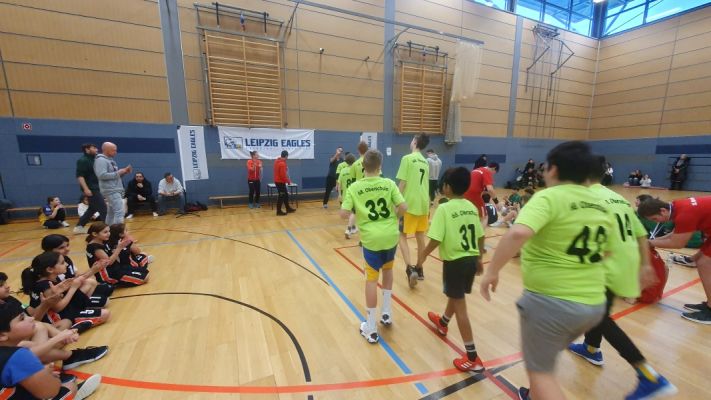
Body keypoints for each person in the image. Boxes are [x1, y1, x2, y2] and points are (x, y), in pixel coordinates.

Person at [479, 141, 616, 400]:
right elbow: (609, 252)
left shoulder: (548, 197)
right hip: (593, 304)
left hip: (553, 302)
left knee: (541, 373)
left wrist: (492, 271)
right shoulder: (600, 204)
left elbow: (518, 233)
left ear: (552, 169)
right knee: (546, 357)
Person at [567, 157, 677, 400]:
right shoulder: (617, 197)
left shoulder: (586, 198)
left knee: (599, 317)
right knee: (598, 312)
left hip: (605, 266)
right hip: (626, 264)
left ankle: (649, 376)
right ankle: (591, 348)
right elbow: (640, 233)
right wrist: (645, 265)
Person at [417, 167, 485, 372]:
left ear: (446, 187)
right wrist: (479, 258)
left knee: (460, 306)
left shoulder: (444, 209)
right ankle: (443, 322)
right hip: (470, 260)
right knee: (456, 296)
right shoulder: (471, 207)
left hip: (455, 263)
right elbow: (480, 235)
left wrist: (423, 255)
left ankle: (472, 356)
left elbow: (436, 239)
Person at [340, 150, 407, 343]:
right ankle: (386, 313)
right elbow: (403, 207)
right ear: (380, 166)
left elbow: (344, 214)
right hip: (391, 236)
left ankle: (370, 327)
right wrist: (394, 218)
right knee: (388, 270)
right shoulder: (389, 183)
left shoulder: (354, 187)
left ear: (363, 166)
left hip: (371, 239)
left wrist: (355, 209)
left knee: (371, 280)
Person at [0, 300, 102, 400]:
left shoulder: (11, 352)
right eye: (22, 318)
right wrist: (48, 377)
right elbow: (51, 391)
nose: (31, 318)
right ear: (2, 336)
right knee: (69, 387)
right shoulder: (17, 356)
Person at [639, 196, 711, 323]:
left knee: (704, 263)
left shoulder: (684, 214)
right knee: (700, 260)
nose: (656, 222)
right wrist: (651, 241)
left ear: (663, 211)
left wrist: (649, 243)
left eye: (655, 219)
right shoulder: (678, 206)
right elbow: (677, 233)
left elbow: (677, 243)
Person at [21, 252, 110, 330]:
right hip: (58, 318)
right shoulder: (46, 286)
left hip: (64, 311)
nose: (66, 264)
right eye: (62, 263)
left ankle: (80, 312)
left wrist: (93, 270)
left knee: (91, 286)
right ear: (50, 269)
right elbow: (58, 308)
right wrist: (74, 288)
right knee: (105, 314)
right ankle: (72, 326)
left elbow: (74, 281)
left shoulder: (48, 280)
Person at [397, 134, 430, 288]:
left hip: (410, 203)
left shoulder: (407, 159)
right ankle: (420, 268)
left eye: (412, 140)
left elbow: (402, 183)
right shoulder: (425, 161)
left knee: (401, 235)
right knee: (420, 236)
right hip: (424, 204)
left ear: (415, 142)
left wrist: (396, 202)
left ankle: (409, 269)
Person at [41, 234, 112, 308]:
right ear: (49, 250)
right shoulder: (52, 266)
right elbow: (67, 285)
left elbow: (77, 275)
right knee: (96, 290)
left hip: (73, 288)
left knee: (107, 289)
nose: (67, 249)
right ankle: (80, 306)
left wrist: (94, 269)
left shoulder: (65, 258)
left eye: (67, 245)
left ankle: (83, 301)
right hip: (65, 296)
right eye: (61, 248)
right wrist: (92, 271)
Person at [86, 222, 149, 287]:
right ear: (95, 234)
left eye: (109, 231)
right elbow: (109, 262)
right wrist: (119, 248)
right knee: (145, 278)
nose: (108, 234)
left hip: (117, 268)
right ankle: (111, 283)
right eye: (105, 232)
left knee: (145, 271)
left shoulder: (102, 241)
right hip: (108, 275)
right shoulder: (95, 247)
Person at [94, 142, 132, 225]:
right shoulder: (101, 160)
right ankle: (118, 231)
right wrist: (119, 172)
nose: (116, 152)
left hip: (114, 188)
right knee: (120, 212)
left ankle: (109, 229)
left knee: (111, 213)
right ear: (107, 150)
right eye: (114, 150)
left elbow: (114, 176)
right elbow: (101, 175)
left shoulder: (111, 161)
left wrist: (124, 172)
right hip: (111, 190)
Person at [74, 143, 106, 234]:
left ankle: (79, 227)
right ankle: (108, 229)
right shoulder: (83, 160)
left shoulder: (95, 159)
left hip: (96, 187)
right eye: (94, 148)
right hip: (91, 188)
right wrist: (86, 189)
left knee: (92, 209)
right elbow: (80, 176)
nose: (96, 149)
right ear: (87, 149)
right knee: (103, 208)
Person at [463, 162, 499, 227]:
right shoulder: (487, 171)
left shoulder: (476, 170)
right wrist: (496, 202)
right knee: (484, 217)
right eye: (494, 173)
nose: (492, 175)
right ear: (494, 168)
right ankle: (480, 233)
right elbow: (490, 189)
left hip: (464, 194)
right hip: (474, 195)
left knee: (470, 214)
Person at [337, 153, 357, 239]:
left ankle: (353, 227)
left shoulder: (343, 170)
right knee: (354, 213)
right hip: (355, 194)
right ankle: (349, 229)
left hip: (345, 195)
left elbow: (339, 184)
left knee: (351, 213)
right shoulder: (356, 170)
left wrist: (339, 194)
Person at [274, 151, 296, 216]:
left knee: (285, 195)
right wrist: (288, 181)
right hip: (280, 182)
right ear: (286, 156)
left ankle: (288, 208)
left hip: (278, 181)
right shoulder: (282, 164)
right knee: (281, 196)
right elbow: (283, 175)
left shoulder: (277, 161)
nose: (287, 157)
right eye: (287, 156)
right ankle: (278, 211)